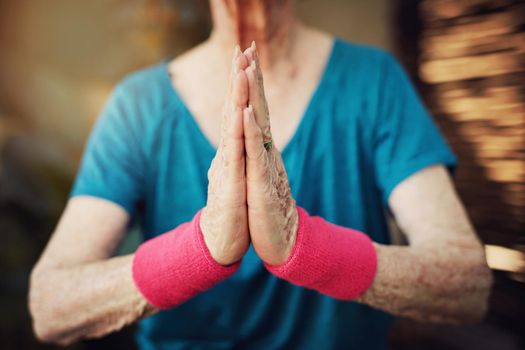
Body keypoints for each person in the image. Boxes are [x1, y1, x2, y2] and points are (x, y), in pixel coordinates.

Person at [28, 0, 493, 348]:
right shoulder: (138, 105)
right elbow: (52, 304)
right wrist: (201, 249)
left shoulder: (373, 80)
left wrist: (303, 245)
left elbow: (466, 284)